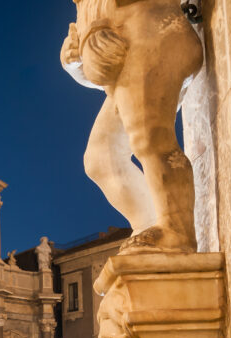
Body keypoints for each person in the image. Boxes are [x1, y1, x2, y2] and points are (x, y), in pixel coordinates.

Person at [61, 0, 203, 254]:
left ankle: (177, 231)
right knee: (100, 158)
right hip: (127, 62)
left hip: (153, 34)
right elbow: (100, 71)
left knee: (150, 139)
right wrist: (76, 62)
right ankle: (149, 225)